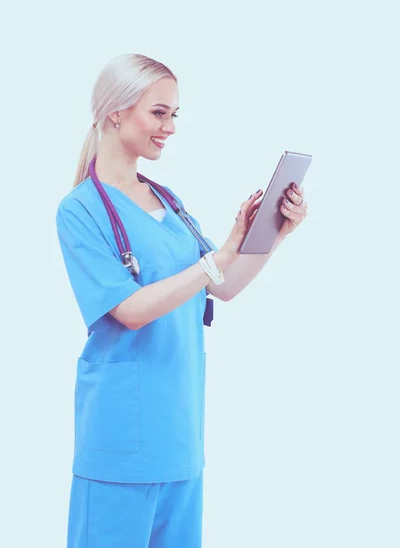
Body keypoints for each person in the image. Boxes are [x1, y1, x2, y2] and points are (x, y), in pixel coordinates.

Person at [56, 53, 308, 548]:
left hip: (179, 439)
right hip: (120, 443)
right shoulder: (81, 210)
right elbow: (129, 311)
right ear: (116, 112)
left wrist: (277, 232)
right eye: (159, 112)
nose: (170, 126)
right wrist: (218, 258)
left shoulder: (166, 201)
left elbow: (222, 286)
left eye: (174, 115)